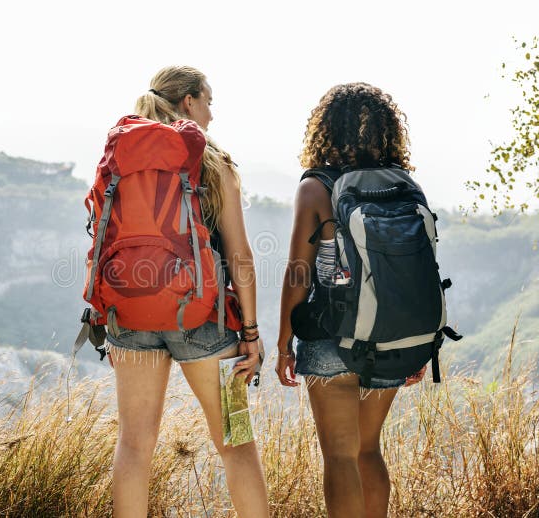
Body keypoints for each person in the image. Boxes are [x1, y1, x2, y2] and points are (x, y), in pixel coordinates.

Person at [104, 66, 269, 518]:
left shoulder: (123, 155)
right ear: (191, 102)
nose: (212, 114)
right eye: (209, 102)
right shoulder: (212, 163)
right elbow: (241, 258)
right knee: (236, 444)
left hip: (129, 314)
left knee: (134, 445)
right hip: (204, 320)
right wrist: (251, 334)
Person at [275, 82, 425, 518]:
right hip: (393, 332)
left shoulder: (317, 187)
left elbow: (299, 272)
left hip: (331, 336)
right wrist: (414, 341)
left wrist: (285, 341)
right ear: (387, 131)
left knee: (340, 457)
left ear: (324, 130)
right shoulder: (403, 184)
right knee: (368, 450)